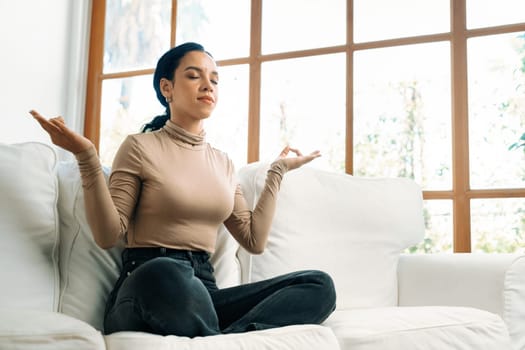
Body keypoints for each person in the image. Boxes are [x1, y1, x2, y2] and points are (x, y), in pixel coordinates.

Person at [30, 42, 336, 337]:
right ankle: (222, 338)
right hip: (147, 283)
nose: (208, 85)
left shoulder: (223, 163)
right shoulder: (139, 147)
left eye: (214, 79)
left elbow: (254, 240)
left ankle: (222, 339)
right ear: (167, 88)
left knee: (318, 286)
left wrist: (277, 172)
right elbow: (108, 234)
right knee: (167, 272)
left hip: (203, 294)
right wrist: (87, 158)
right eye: (194, 75)